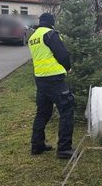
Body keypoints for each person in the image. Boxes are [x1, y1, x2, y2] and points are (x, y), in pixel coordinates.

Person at [28, 13, 74, 159]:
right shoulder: (50, 34)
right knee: (67, 110)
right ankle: (64, 149)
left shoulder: (33, 37)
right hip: (55, 80)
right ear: (52, 23)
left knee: (42, 112)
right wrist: (68, 67)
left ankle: (37, 145)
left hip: (40, 80)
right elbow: (63, 54)